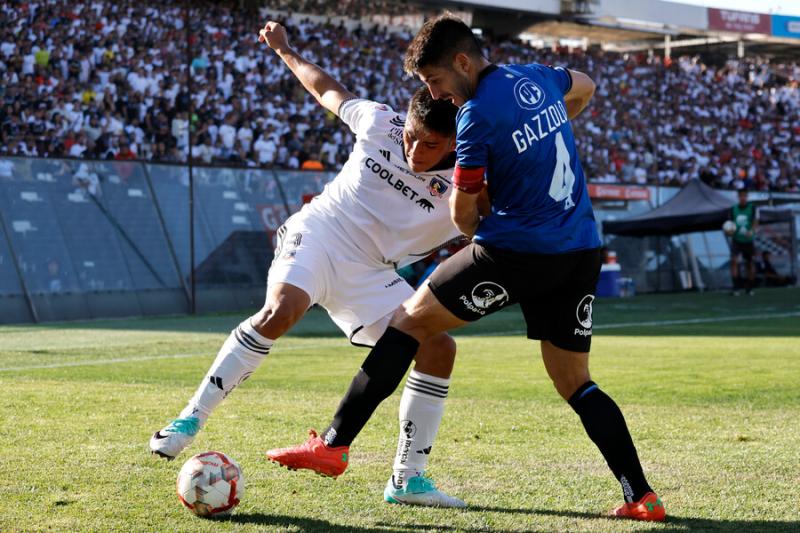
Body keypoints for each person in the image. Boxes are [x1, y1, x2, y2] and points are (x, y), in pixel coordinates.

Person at [268, 14, 665, 522]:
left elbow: (461, 212)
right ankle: (641, 496)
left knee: (408, 322)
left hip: (518, 250)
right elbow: (585, 87)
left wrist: (486, 235)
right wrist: (541, 136)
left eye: (435, 81)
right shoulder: (537, 76)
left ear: (461, 61)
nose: (438, 94)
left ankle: (334, 444)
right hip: (581, 249)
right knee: (575, 382)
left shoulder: (475, 115)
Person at [150, 20, 466, 508]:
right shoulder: (380, 121)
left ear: (453, 145)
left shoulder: (469, 186)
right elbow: (327, 91)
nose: (412, 150)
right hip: (321, 231)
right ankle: (190, 418)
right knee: (282, 309)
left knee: (439, 347)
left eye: (428, 146)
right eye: (410, 136)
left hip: (374, 273)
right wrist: (285, 50)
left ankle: (408, 479)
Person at [729, 189, 757, 296]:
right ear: (738, 197)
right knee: (734, 261)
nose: (743, 198)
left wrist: (752, 231)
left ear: (747, 197)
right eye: (741, 196)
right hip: (737, 240)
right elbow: (730, 225)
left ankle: (749, 287)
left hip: (748, 241)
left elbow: (755, 222)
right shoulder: (733, 209)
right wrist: (730, 231)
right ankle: (736, 287)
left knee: (749, 264)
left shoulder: (752, 208)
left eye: (744, 196)